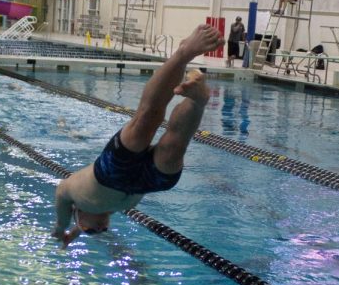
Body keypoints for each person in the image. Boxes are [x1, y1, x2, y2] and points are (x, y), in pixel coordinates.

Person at [51, 24, 224, 247]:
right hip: (148, 183)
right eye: (102, 230)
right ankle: (197, 101)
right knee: (175, 145)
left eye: (91, 230)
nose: (101, 228)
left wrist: (61, 228)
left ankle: (184, 53)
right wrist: (78, 230)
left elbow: (60, 198)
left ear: (77, 214)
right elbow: (88, 222)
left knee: (147, 118)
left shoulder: (73, 196)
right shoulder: (106, 207)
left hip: (111, 173)